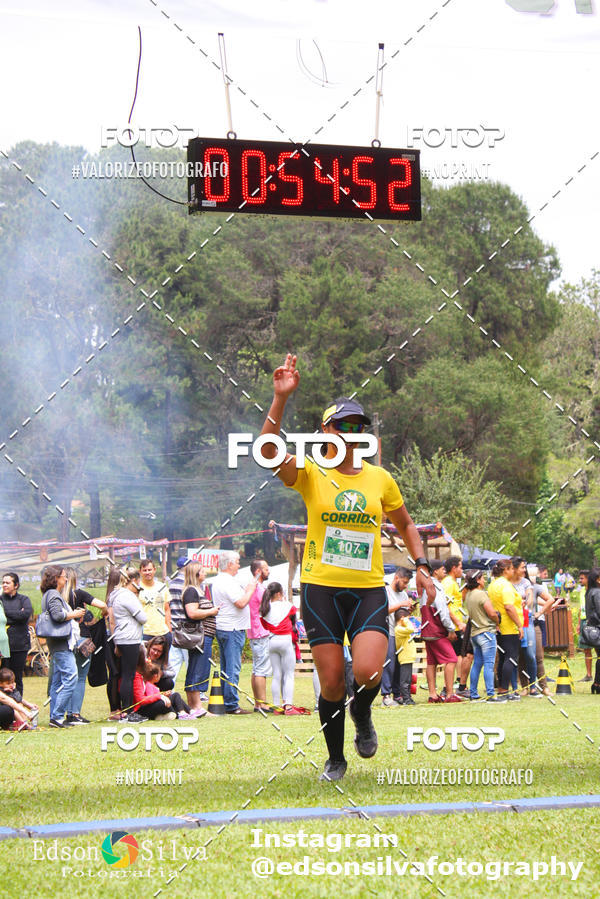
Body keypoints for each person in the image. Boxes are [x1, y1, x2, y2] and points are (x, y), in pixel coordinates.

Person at [260, 354, 435, 781]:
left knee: (369, 671)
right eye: (344, 426)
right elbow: (266, 454)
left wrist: (423, 565)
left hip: (367, 590)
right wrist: (280, 399)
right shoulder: (310, 471)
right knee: (333, 682)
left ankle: (363, 712)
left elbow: (407, 525)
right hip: (320, 589)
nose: (353, 433)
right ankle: (336, 758)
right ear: (326, 432)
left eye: (360, 427)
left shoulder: (380, 478)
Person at [212, 551, 259, 715]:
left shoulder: (219, 580)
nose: (239, 565)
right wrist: (251, 590)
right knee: (233, 667)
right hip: (232, 628)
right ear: (230, 564)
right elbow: (240, 602)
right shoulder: (228, 582)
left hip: (225, 626)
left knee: (226, 666)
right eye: (237, 562)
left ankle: (226, 701)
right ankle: (231, 703)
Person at [39, 565, 86, 728]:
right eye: (64, 576)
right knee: (71, 677)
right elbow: (58, 616)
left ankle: (55, 716)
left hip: (57, 643)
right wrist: (75, 614)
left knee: (57, 682)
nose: (66, 579)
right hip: (61, 644)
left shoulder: (49, 594)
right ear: (56, 578)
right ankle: (58, 716)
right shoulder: (53, 595)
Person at [62, 567, 108, 724]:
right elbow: (101, 604)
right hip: (82, 638)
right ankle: (75, 714)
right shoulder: (79, 594)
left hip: (64, 640)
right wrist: (102, 614)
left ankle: (65, 714)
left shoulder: (56, 596)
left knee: (67, 677)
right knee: (80, 677)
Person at [420, 559, 464, 703]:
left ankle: (433, 695)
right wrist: (451, 629)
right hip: (437, 629)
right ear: (435, 571)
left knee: (431, 662)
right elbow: (442, 610)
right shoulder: (436, 586)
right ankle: (450, 694)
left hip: (426, 629)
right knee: (451, 659)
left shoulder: (424, 585)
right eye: (442, 569)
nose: (444, 571)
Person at [180, 562, 220, 710]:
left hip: (203, 636)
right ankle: (197, 706)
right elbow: (192, 613)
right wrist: (212, 611)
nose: (205, 573)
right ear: (196, 574)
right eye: (202, 571)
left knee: (195, 668)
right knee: (199, 669)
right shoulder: (191, 591)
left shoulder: (196, 590)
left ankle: (193, 705)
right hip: (200, 636)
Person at [111, 566, 147, 723]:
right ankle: (128, 711)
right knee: (129, 675)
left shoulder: (116, 595)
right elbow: (143, 617)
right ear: (133, 581)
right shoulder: (127, 596)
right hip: (130, 638)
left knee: (127, 674)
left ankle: (127, 710)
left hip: (122, 637)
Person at [259, 582, 300, 714]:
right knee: (288, 674)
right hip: (285, 640)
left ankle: (276, 705)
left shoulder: (265, 608)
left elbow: (265, 626)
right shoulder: (287, 606)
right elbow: (295, 617)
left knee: (276, 674)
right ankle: (288, 705)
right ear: (278, 593)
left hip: (271, 641)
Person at [488, 559, 523, 701]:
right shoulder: (506, 586)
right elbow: (509, 607)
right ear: (506, 570)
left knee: (502, 658)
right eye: (511, 569)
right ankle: (503, 690)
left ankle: (502, 689)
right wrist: (519, 625)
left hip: (498, 627)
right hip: (509, 627)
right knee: (511, 658)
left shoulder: (493, 585)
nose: (513, 571)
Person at [463, 569, 501, 701]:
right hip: (486, 632)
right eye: (483, 578)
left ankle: (473, 693)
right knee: (489, 664)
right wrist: (498, 620)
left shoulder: (468, 595)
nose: (484, 580)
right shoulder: (481, 595)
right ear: (478, 580)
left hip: (475, 634)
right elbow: (491, 613)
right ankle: (491, 694)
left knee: (477, 664)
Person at [132, 661, 206, 720]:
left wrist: (163, 695)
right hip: (144, 709)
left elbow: (154, 697)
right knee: (175, 696)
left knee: (174, 697)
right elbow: (150, 698)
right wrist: (160, 696)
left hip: (150, 706)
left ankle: (189, 711)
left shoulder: (151, 685)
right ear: (155, 676)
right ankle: (183, 713)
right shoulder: (148, 685)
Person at [441, 556, 472, 696]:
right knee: (455, 656)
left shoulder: (454, 583)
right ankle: (451, 687)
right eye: (460, 567)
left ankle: (459, 685)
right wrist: (457, 623)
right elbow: (445, 606)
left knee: (460, 655)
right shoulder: (448, 583)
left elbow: (457, 603)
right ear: (454, 568)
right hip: (453, 626)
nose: (462, 570)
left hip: (458, 625)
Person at [382, 567, 411, 706]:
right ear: (396, 578)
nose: (405, 586)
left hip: (401, 634)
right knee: (389, 663)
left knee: (400, 665)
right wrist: (400, 605)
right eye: (404, 582)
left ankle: (397, 694)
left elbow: (403, 612)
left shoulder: (404, 595)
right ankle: (386, 696)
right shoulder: (386, 592)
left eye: (407, 583)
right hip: (389, 632)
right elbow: (383, 610)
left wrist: (409, 609)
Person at [1, 573, 33, 698]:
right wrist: (17, 614)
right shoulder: (0, 600)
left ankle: (17, 705)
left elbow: (25, 615)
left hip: (19, 645)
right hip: (3, 647)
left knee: (17, 678)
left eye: (7, 582)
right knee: (2, 677)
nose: (4, 585)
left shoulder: (23, 599)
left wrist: (6, 614)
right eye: (3, 582)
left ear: (16, 585)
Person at [247, 559, 272, 713]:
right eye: (266, 568)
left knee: (256, 668)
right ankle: (262, 703)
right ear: (258, 571)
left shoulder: (252, 586)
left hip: (254, 631)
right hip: (260, 631)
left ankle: (258, 703)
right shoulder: (257, 587)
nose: (268, 571)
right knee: (261, 669)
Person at [512, 557, 539, 696]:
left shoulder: (526, 582)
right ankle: (518, 687)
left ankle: (533, 686)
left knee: (530, 654)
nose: (524, 570)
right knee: (514, 655)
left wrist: (524, 603)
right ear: (514, 568)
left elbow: (530, 600)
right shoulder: (506, 583)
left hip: (525, 619)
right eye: (522, 567)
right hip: (511, 621)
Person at [527, 566, 555, 695]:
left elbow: (549, 600)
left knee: (538, 656)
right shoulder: (519, 586)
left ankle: (543, 686)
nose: (533, 577)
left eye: (535, 574)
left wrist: (540, 612)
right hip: (522, 624)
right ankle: (526, 687)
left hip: (535, 623)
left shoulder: (537, 587)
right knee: (523, 657)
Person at [104, 566, 124, 719]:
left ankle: (120, 707)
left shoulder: (112, 596)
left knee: (119, 673)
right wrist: (116, 641)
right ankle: (114, 709)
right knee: (115, 674)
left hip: (117, 637)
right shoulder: (114, 597)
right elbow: (112, 622)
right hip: (114, 638)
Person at [138, 560, 172, 648]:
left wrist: (169, 629)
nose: (147, 572)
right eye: (144, 570)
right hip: (145, 633)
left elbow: (167, 609)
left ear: (154, 570)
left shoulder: (162, 587)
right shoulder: (136, 588)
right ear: (140, 572)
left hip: (163, 633)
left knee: (163, 662)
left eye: (149, 570)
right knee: (145, 661)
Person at [166, 556, 189, 682]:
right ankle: (196, 692)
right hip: (186, 627)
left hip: (174, 625)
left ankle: (169, 687)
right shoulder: (187, 584)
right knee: (190, 661)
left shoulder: (172, 583)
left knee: (174, 660)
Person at [393, 597, 417, 705]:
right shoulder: (398, 629)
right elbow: (411, 629)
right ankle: (406, 699)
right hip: (405, 657)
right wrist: (406, 620)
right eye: (407, 618)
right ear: (402, 618)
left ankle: (408, 697)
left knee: (408, 679)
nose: (409, 621)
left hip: (408, 657)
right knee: (405, 680)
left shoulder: (402, 629)